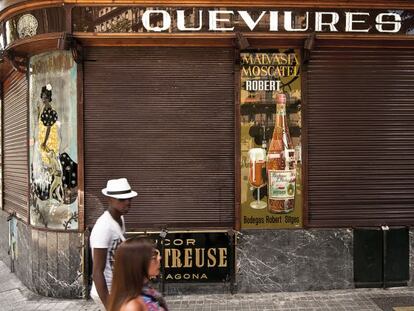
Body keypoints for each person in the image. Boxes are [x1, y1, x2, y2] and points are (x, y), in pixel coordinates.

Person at [90, 178, 138, 310]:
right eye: (121, 199)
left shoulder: (120, 218)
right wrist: (110, 306)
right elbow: (97, 272)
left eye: (129, 198)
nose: (128, 202)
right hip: (109, 291)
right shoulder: (104, 227)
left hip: (120, 288)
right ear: (109, 199)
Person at [107, 237, 168, 311]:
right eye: (154, 256)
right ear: (137, 263)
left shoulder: (145, 291)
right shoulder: (132, 305)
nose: (159, 258)